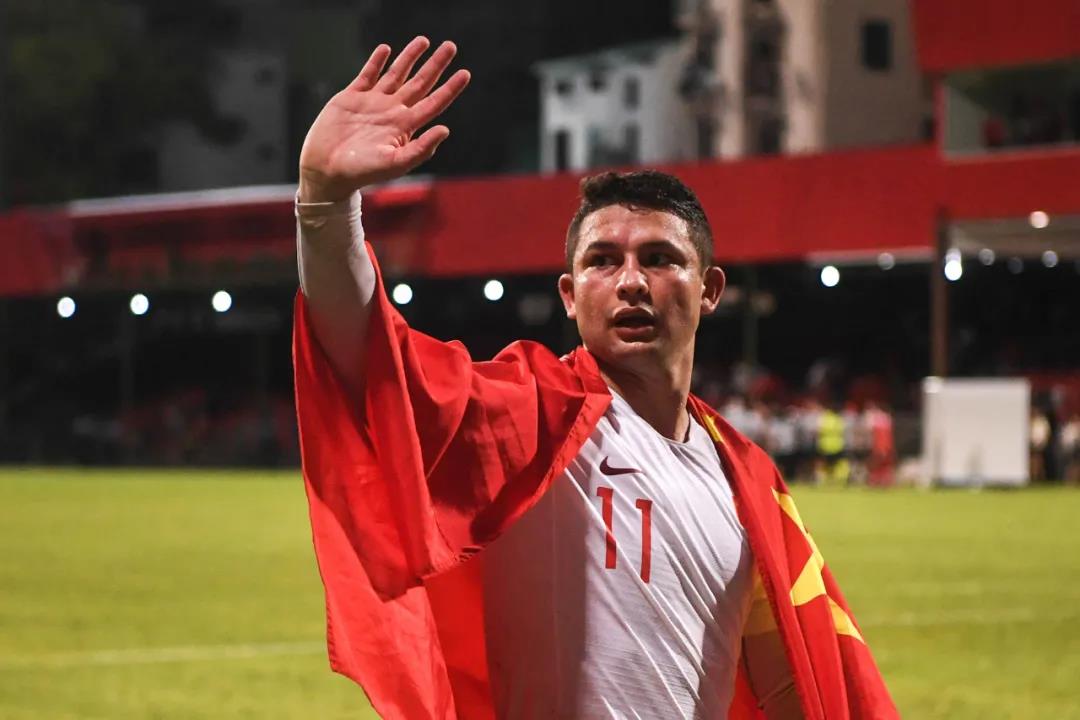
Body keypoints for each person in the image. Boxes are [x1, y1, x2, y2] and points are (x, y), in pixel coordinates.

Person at [292, 37, 896, 719]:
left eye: (660, 258)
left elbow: (794, 682)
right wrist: (325, 204)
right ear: (570, 295)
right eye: (603, 261)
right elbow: (375, 362)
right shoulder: (533, 416)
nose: (631, 282)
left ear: (709, 290)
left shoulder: (745, 477)